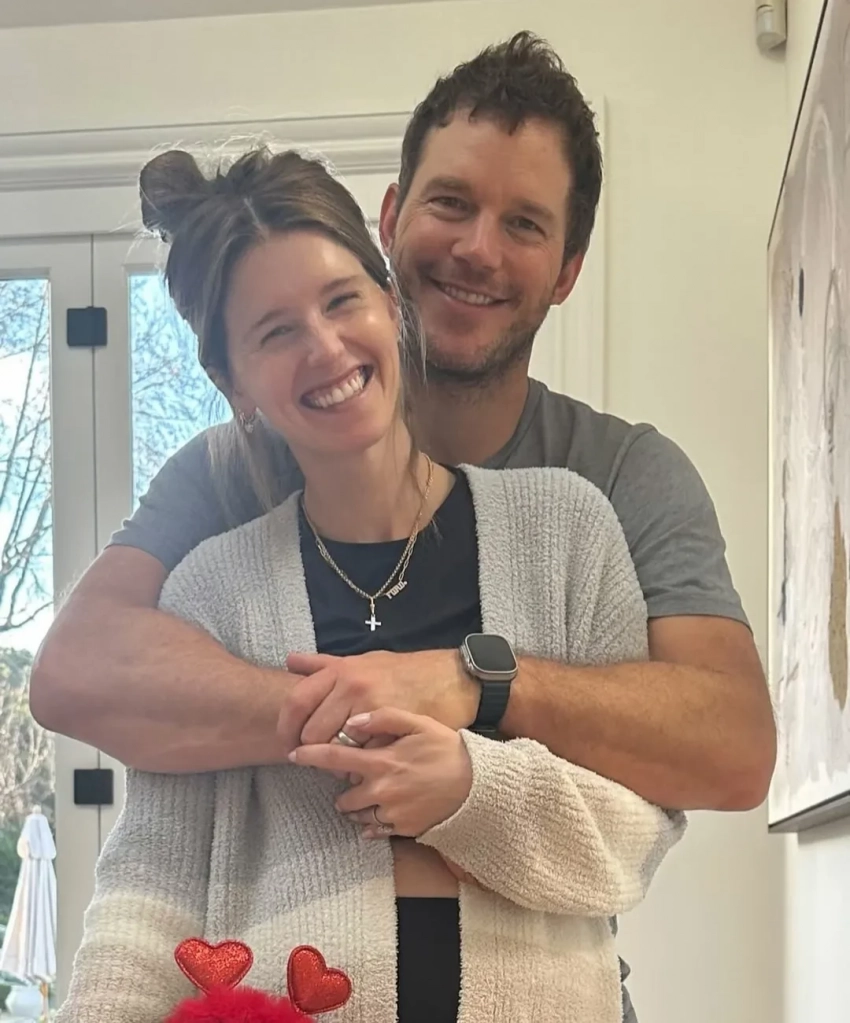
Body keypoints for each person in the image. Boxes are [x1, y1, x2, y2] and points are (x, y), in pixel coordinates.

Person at [32, 37, 774, 805]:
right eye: (451, 203)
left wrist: (473, 682)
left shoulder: (620, 476)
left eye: (524, 224)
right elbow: (74, 671)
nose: (477, 249)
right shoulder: (227, 471)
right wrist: (348, 710)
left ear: (567, 272)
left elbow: (734, 749)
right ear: (390, 220)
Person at [56, 145, 685, 1023]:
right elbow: (147, 889)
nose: (324, 347)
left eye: (341, 300)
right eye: (275, 332)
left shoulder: (567, 531)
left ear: (391, 304)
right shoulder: (211, 592)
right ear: (232, 381)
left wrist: (471, 788)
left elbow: (637, 837)